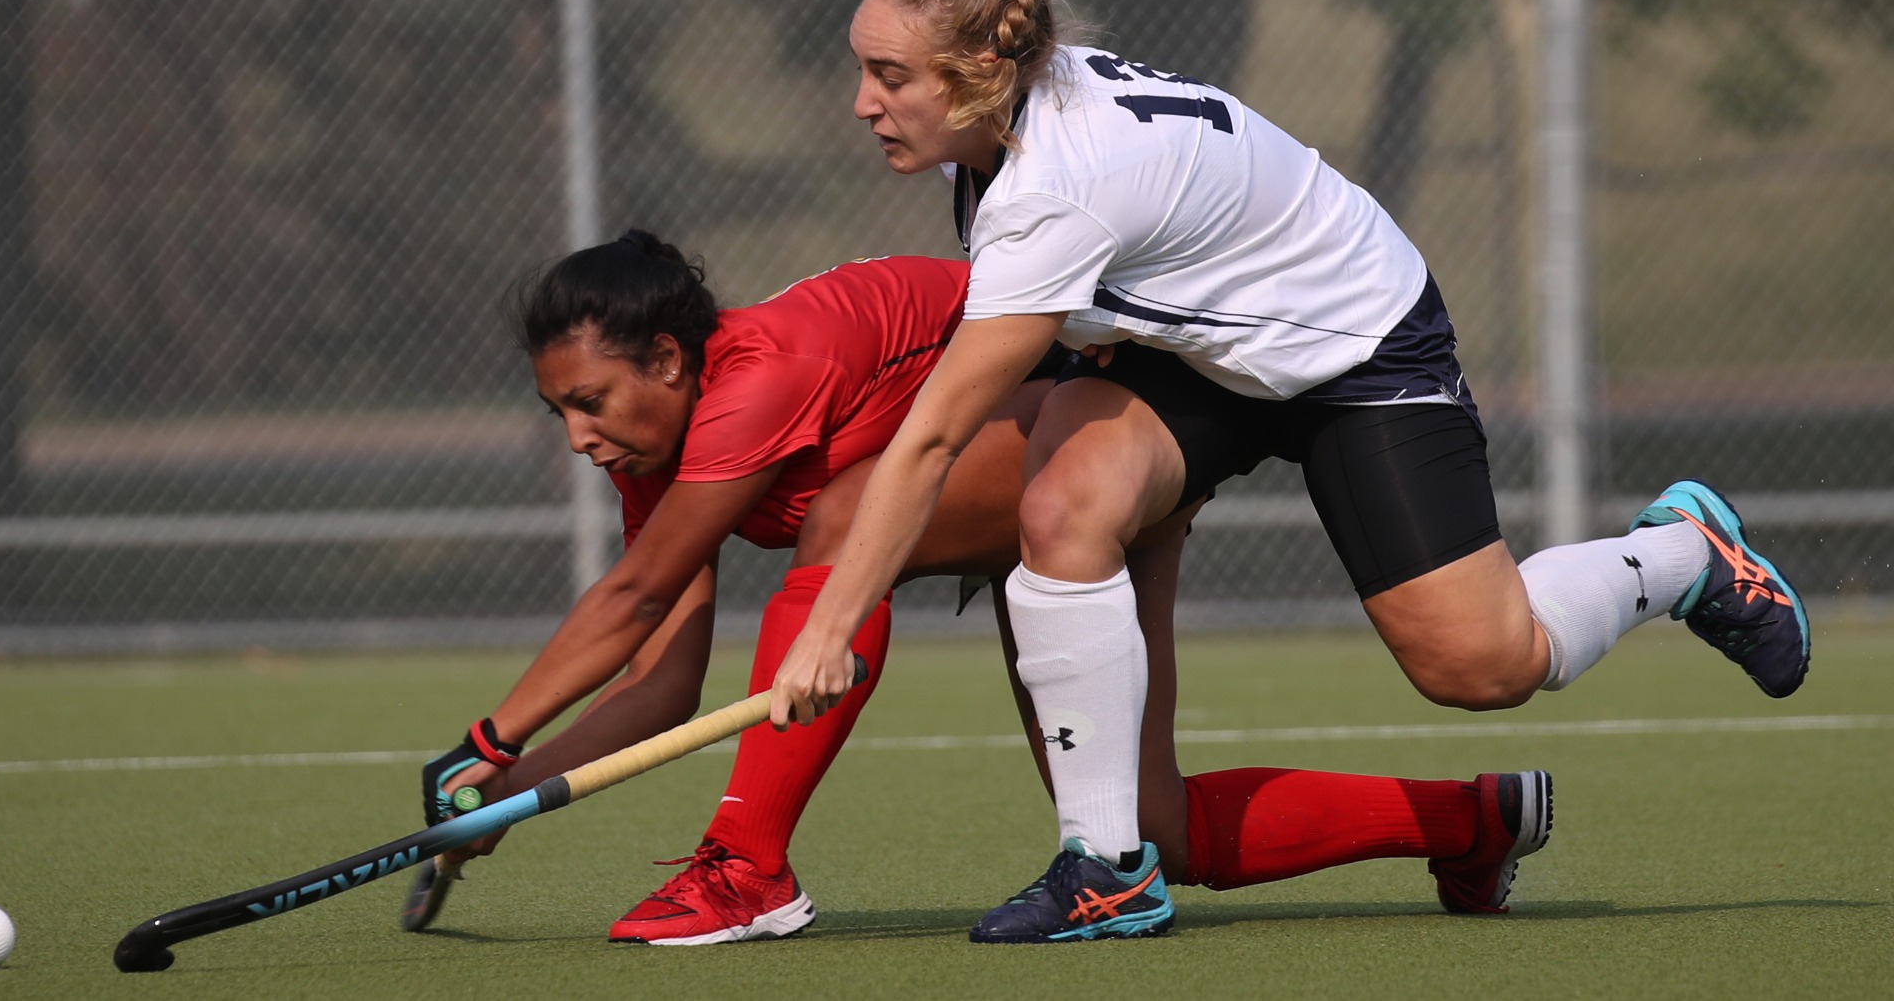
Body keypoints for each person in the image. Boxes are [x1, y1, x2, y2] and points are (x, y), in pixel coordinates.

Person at [769, 0, 1810, 944]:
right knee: (1060, 505)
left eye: (889, 75)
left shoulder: (1052, 188)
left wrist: (829, 628)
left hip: (1353, 341)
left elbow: (933, 441)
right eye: (863, 69)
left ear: (981, 68)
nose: (863, 101)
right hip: (1196, 351)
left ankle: (1677, 556)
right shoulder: (1001, 123)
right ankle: (1105, 868)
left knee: (1479, 667)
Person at [412, 230, 1554, 947]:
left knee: (844, 521)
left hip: (1099, 423)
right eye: (559, 411)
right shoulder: (660, 457)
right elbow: (660, 684)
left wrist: (482, 734)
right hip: (1040, 488)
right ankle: (1469, 822)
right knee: (1145, 828)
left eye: (590, 402)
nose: (575, 435)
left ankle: (745, 871)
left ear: (667, 361)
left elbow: (629, 600)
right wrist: (507, 793)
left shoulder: (753, 383)